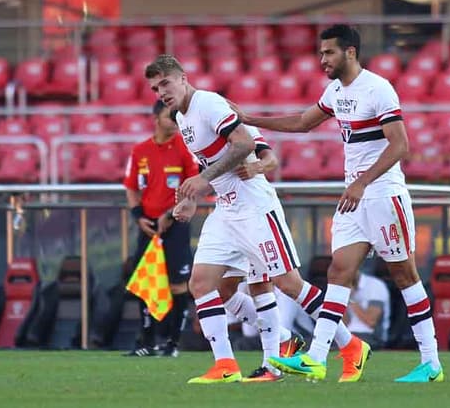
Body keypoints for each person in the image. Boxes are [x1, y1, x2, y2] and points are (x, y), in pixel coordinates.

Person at [230, 24, 444, 383]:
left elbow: (401, 145)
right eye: (320, 53)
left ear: (350, 52)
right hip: (354, 198)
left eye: (328, 52)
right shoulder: (335, 91)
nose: (322, 59)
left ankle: (431, 363)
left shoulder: (378, 89)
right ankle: (317, 357)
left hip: (383, 196)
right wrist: (249, 119)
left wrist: (362, 182)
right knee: (337, 272)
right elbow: (301, 122)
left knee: (404, 275)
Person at [145, 54, 367, 384]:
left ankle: (350, 345)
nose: (161, 91)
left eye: (165, 83)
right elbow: (213, 162)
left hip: (254, 207)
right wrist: (193, 199)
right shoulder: (184, 117)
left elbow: (247, 144)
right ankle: (226, 365)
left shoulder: (209, 103)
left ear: (182, 77)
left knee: (287, 284)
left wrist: (209, 180)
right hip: (226, 209)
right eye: (155, 88)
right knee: (203, 283)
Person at [122, 99, 198, 357]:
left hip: (176, 224)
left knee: (178, 285)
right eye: (170, 117)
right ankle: (146, 342)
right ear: (156, 118)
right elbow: (131, 187)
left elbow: (194, 187)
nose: (176, 122)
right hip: (148, 226)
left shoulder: (186, 149)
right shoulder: (140, 151)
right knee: (146, 283)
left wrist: (172, 213)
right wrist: (137, 216)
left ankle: (172, 343)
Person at [344, 268, 391, 350]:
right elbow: (344, 323)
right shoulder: (341, 286)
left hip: (369, 336)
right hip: (346, 334)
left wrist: (351, 300)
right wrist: (344, 299)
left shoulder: (375, 285)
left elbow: (371, 321)